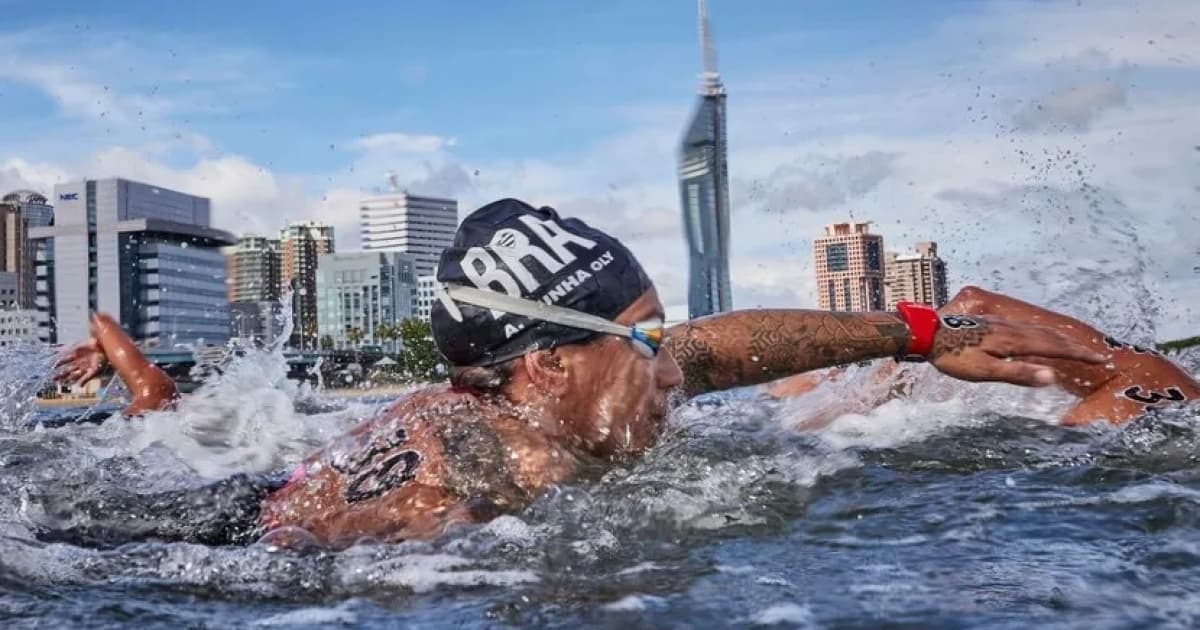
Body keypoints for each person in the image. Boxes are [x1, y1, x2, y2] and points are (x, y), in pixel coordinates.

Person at [47, 198, 1110, 549]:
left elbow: (722, 345)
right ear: (548, 367)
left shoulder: (548, 398)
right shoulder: (495, 470)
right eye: (642, 344)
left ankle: (146, 391)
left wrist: (917, 333)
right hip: (219, 540)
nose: (672, 370)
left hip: (251, 484)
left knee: (172, 435)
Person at [765, 286, 1199, 426]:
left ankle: (833, 399)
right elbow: (973, 303)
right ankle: (834, 401)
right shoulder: (1146, 385)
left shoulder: (1149, 388)